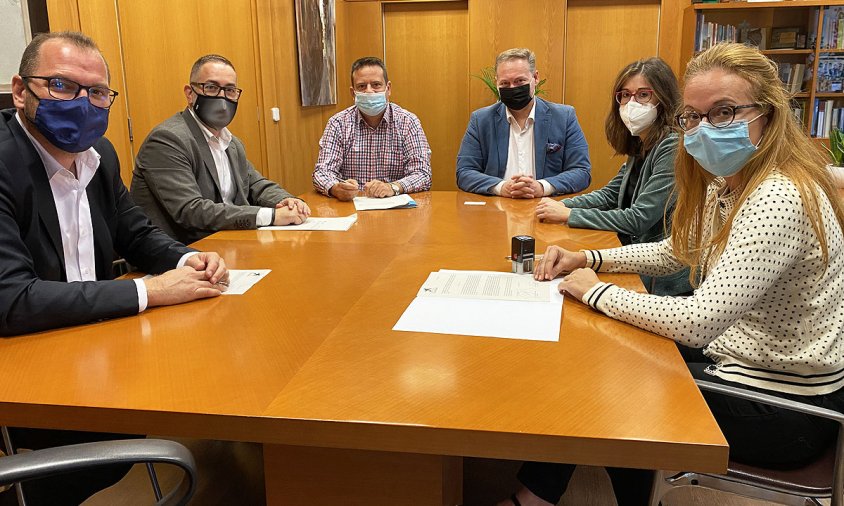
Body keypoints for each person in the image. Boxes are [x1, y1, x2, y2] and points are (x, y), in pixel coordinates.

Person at [502, 43, 844, 506]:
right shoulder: (733, 182)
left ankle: (534, 497)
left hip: (786, 408)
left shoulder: (777, 197)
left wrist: (596, 292)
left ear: (769, 114)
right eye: (694, 117)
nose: (705, 130)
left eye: (724, 113)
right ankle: (541, 495)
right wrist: (589, 261)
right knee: (606, 368)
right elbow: (676, 250)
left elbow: (697, 321)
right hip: (741, 367)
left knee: (602, 390)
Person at [0, 31, 230, 505]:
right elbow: (12, 299)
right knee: (115, 450)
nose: (84, 103)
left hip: (92, 345)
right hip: (25, 369)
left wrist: (188, 258)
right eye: (62, 86)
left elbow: (135, 232)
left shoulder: (99, 155)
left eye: (98, 92)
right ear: (21, 91)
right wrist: (152, 292)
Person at [535, 57, 691, 296]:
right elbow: (609, 194)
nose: (631, 103)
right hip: (633, 262)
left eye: (643, 95)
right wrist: (561, 204)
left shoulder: (671, 146)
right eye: (625, 95)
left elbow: (639, 218)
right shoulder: (643, 144)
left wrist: (569, 214)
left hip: (663, 282)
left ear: (663, 98)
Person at [131, 54, 309, 245]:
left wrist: (288, 201)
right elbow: (191, 211)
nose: (222, 97)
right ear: (190, 93)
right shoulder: (168, 140)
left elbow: (256, 185)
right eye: (212, 88)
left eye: (230, 90)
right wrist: (271, 216)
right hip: (183, 253)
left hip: (229, 243)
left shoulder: (231, 142)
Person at [456, 48, 590, 198]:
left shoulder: (564, 117)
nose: (513, 88)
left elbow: (581, 171)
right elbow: (465, 172)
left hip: (547, 208)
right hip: (496, 209)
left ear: (535, 77)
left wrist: (542, 187)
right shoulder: (481, 120)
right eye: (505, 84)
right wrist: (501, 187)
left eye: (520, 81)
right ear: (496, 83)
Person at [312, 56, 432, 201]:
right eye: (362, 86)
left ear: (388, 89)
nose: (369, 91)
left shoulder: (408, 122)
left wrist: (392, 187)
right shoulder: (338, 123)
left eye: (376, 85)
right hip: (351, 207)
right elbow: (322, 172)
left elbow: (423, 174)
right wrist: (336, 188)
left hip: (396, 209)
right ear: (353, 92)